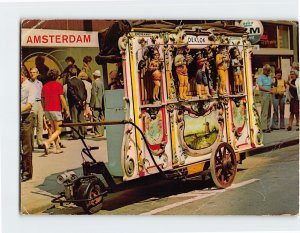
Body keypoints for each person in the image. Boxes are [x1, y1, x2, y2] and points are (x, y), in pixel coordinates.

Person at [41, 69, 70, 154]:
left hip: (47, 110)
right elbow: (62, 98)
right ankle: (47, 142)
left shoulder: (44, 86)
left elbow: (42, 100)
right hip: (56, 109)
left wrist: (44, 108)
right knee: (58, 130)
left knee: (54, 130)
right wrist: (66, 109)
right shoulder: (58, 85)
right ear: (57, 77)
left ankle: (57, 148)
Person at [21, 66, 36, 182]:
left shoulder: (30, 86)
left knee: (26, 147)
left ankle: (27, 172)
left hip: (26, 117)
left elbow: (30, 104)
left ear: (22, 75)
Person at [66, 67, 87, 139]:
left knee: (74, 119)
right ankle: (82, 133)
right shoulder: (81, 81)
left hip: (73, 102)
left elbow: (71, 93)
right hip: (81, 101)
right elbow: (85, 91)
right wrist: (83, 100)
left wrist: (77, 100)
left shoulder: (70, 82)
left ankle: (76, 134)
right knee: (81, 118)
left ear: (69, 74)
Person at [30, 67, 44, 149]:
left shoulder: (40, 83)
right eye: (31, 72)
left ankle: (40, 142)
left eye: (34, 72)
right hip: (32, 103)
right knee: (32, 125)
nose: (32, 74)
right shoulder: (28, 83)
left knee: (40, 124)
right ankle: (31, 144)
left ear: (37, 73)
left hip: (39, 103)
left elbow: (42, 95)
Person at [257, 64, 273, 133]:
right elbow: (260, 87)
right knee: (264, 111)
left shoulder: (269, 77)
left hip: (269, 94)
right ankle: (263, 127)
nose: (269, 72)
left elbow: (271, 85)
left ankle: (268, 126)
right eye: (267, 71)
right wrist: (268, 90)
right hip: (264, 94)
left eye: (269, 71)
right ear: (264, 70)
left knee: (269, 111)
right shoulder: (260, 77)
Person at [90, 70, 105, 137]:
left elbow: (93, 94)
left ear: (94, 76)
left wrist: (91, 104)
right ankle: (101, 132)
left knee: (95, 117)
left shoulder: (94, 83)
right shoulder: (101, 83)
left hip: (96, 103)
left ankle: (98, 133)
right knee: (101, 117)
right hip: (102, 102)